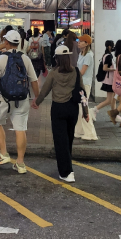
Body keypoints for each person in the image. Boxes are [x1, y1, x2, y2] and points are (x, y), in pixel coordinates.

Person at [32, 45, 89, 182]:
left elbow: (45, 91)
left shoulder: (54, 73)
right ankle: (67, 165)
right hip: (72, 109)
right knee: (68, 139)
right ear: (68, 57)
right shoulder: (76, 71)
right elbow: (82, 93)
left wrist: (37, 102)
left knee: (60, 141)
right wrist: (86, 112)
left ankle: (66, 172)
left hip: (58, 109)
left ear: (57, 58)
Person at [0, 30, 39, 174]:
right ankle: (20, 163)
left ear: (6, 42)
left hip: (3, 98)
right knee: (20, 128)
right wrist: (36, 98)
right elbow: (34, 80)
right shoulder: (26, 58)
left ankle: (3, 154)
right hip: (22, 98)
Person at [74, 34, 98, 141]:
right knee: (80, 108)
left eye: (81, 41)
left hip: (85, 85)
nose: (78, 43)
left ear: (87, 43)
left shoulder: (88, 55)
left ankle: (91, 134)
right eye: (78, 41)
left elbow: (82, 72)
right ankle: (79, 131)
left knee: (83, 108)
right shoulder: (81, 54)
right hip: (81, 84)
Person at [91, 40, 119, 122]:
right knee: (109, 100)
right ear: (109, 46)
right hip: (109, 81)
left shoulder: (106, 55)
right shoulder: (108, 56)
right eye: (113, 45)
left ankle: (114, 116)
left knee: (113, 99)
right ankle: (94, 109)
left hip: (110, 80)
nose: (114, 47)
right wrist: (115, 69)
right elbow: (105, 68)